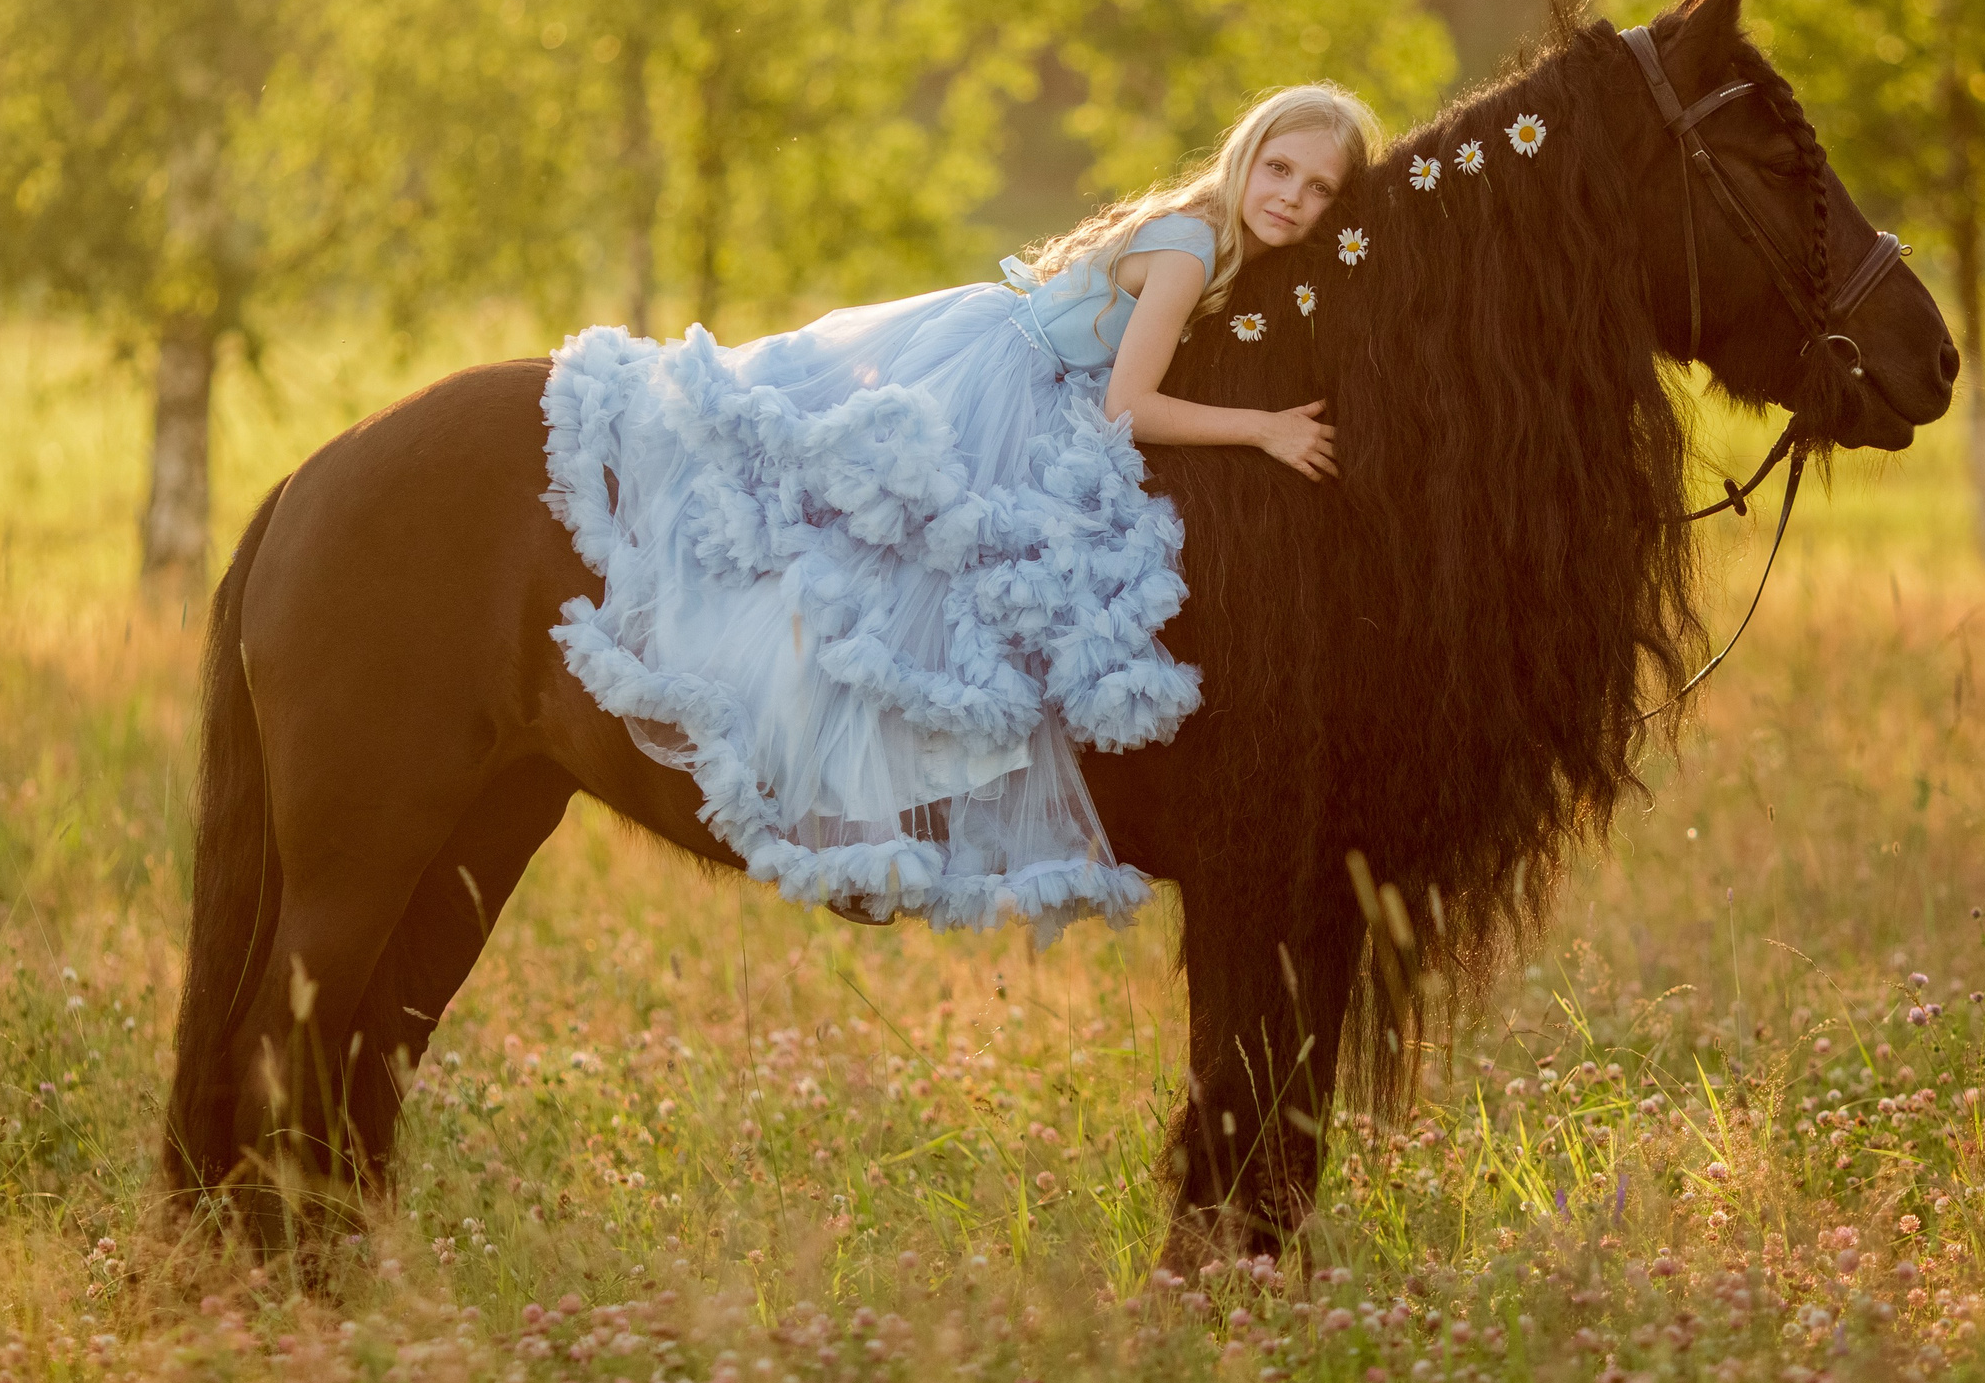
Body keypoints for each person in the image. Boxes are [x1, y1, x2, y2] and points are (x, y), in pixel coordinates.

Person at [541, 83, 1379, 940]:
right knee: (917, 560)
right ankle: (846, 792)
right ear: (1244, 157)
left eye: (1320, 188)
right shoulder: (1193, 249)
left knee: (957, 576)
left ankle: (898, 786)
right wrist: (1265, 428)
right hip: (1005, 385)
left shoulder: (1223, 239)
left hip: (1026, 368)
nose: (1292, 198)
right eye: (1279, 169)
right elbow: (1128, 404)